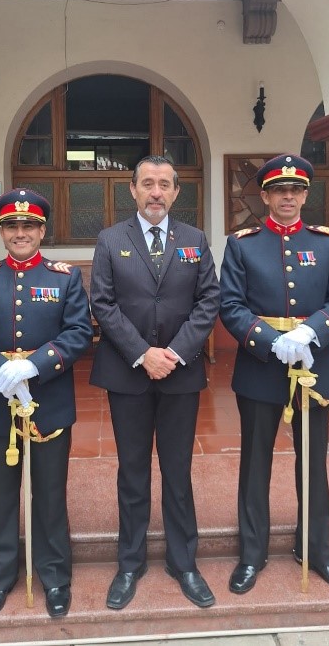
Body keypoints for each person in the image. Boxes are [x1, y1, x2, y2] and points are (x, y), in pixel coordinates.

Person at [0, 188, 93, 620]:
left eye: (29, 225)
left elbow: (78, 333)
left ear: (42, 230)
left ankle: (53, 575)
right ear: (2, 230)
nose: (20, 233)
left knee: (49, 494)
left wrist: (34, 366)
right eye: (12, 226)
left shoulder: (65, 278)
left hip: (48, 402)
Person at [219, 154, 329, 595]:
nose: (287, 197)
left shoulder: (327, 242)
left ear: (305, 195)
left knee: (313, 462)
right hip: (262, 365)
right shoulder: (242, 244)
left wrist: (310, 333)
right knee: (255, 463)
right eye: (279, 190)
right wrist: (268, 339)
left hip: (314, 366)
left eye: (295, 190)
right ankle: (252, 553)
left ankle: (317, 550)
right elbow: (231, 305)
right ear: (264, 196)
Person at [89, 155, 220, 610]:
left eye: (165, 184)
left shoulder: (195, 240)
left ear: (177, 192)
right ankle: (130, 562)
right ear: (133, 189)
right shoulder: (110, 239)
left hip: (180, 374)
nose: (156, 192)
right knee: (133, 472)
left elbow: (209, 300)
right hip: (128, 374)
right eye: (148, 183)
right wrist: (143, 354)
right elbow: (102, 304)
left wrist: (175, 354)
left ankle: (184, 562)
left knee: (178, 472)